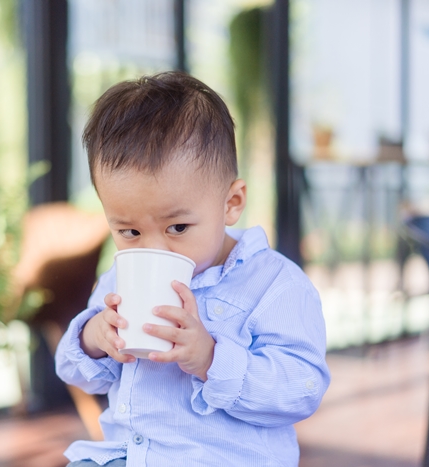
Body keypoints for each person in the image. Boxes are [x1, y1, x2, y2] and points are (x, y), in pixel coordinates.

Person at [55, 71, 330, 467]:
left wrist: (211, 359)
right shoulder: (119, 280)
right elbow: (74, 371)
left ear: (231, 203)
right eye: (129, 230)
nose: (152, 246)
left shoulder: (275, 286)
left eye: (178, 227)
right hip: (127, 456)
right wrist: (94, 338)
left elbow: (302, 389)